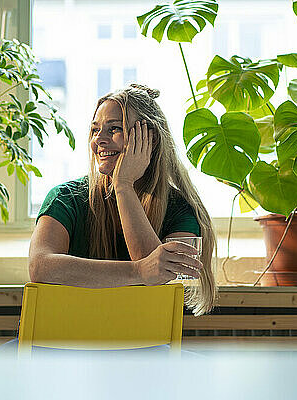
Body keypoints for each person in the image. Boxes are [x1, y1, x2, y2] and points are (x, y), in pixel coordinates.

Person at [29, 84, 216, 316]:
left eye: (114, 129)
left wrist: (123, 186)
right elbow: (40, 267)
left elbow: (161, 283)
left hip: (143, 346)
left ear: (151, 139)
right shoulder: (66, 198)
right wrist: (138, 271)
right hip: (64, 344)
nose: (100, 140)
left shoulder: (180, 210)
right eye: (95, 130)